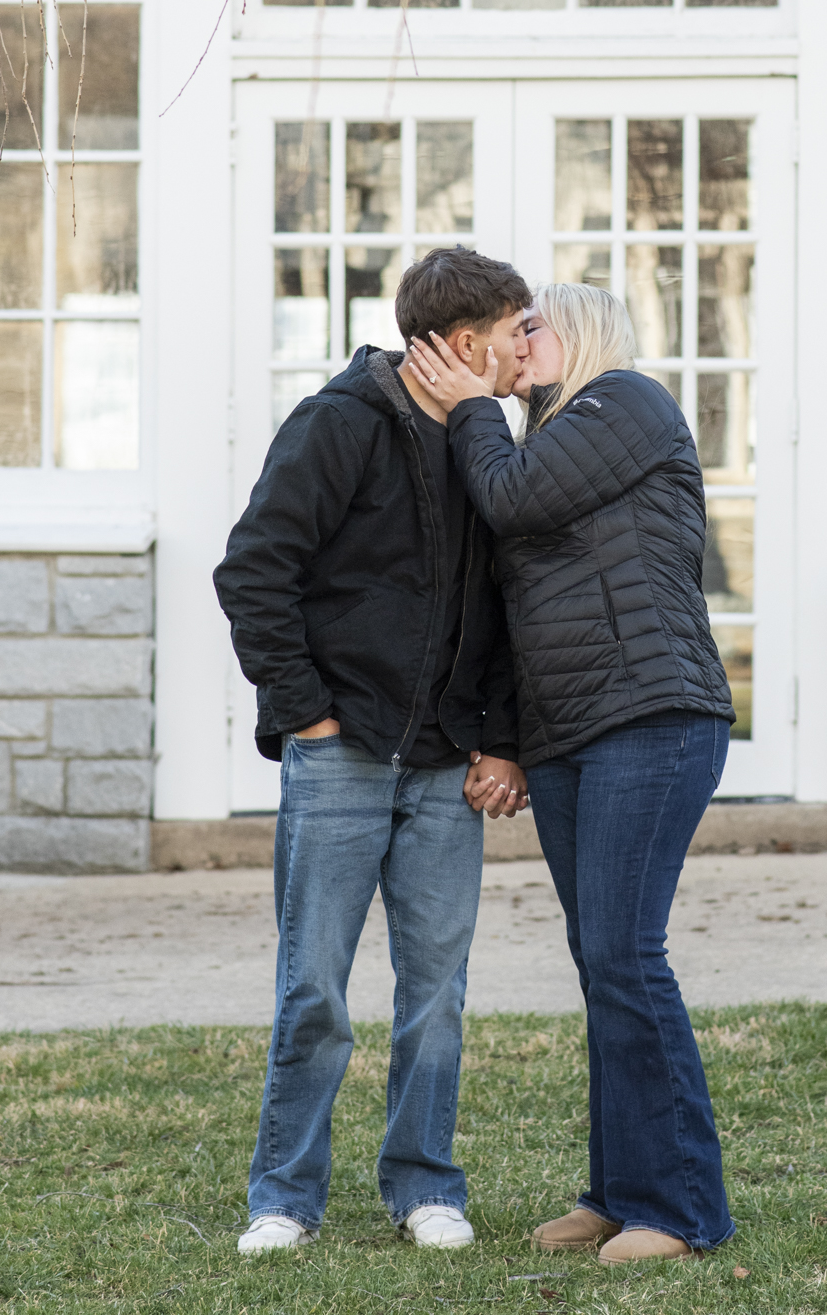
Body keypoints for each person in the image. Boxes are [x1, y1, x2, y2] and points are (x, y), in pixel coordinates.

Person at [407, 282, 737, 1264]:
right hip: (565, 734)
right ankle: (618, 1191)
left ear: (578, 332)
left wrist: (468, 404)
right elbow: (510, 618)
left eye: (528, 328)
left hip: (651, 714)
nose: (514, 346)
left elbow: (511, 495)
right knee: (602, 962)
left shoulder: (625, 401)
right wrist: (502, 739)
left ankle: (679, 1210)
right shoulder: (535, 436)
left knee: (628, 956)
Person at [214, 247, 532, 1257]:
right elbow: (254, 573)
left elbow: (509, 608)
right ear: (467, 342)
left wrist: (501, 739)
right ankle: (284, 1197)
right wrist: (307, 714)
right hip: (340, 756)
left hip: (447, 765)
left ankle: (424, 1185)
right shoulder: (337, 423)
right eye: (518, 330)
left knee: (435, 991)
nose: (530, 347)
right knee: (314, 988)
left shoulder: (492, 441)